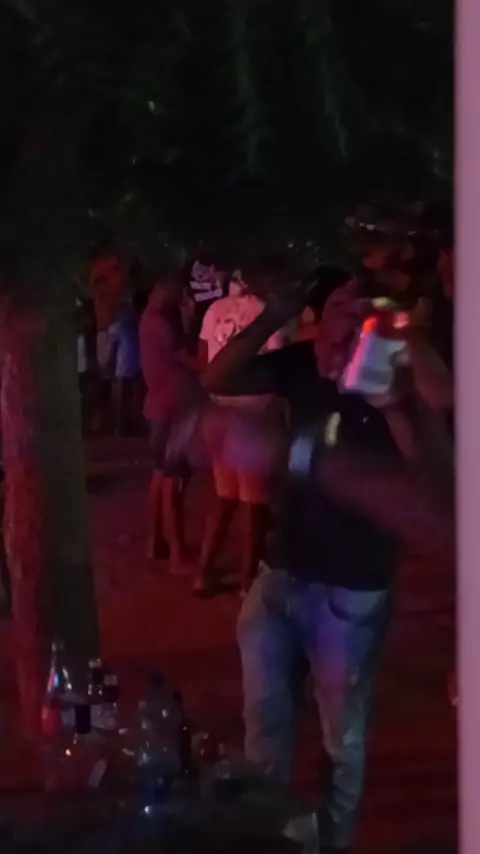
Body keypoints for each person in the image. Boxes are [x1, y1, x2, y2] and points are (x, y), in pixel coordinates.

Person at [196, 267, 453, 853]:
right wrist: (271, 314)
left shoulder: (393, 375)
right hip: (281, 572)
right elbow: (216, 377)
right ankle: (271, 840)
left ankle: (335, 843)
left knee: (343, 742)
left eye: (363, 304)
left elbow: (446, 397)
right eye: (341, 302)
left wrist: (397, 332)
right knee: (265, 731)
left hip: (353, 587)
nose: (350, 312)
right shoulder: (301, 362)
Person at [194, 265, 287, 596]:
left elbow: (203, 363)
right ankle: (248, 581)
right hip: (253, 413)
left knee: (224, 495)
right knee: (255, 502)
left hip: (218, 411)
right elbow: (279, 367)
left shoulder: (214, 309)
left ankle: (203, 572)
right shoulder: (267, 313)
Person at [139, 267, 202, 575]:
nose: (182, 294)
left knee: (161, 475)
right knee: (173, 482)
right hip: (173, 409)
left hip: (158, 406)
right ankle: (177, 553)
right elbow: (192, 361)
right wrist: (192, 324)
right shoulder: (164, 323)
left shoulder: (148, 319)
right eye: (179, 288)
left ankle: (157, 542)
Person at [109, 300, 143, 436]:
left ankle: (121, 428)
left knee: (125, 399)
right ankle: (123, 427)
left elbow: (113, 345)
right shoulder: (135, 325)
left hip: (125, 366)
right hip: (131, 366)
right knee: (128, 399)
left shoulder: (120, 326)